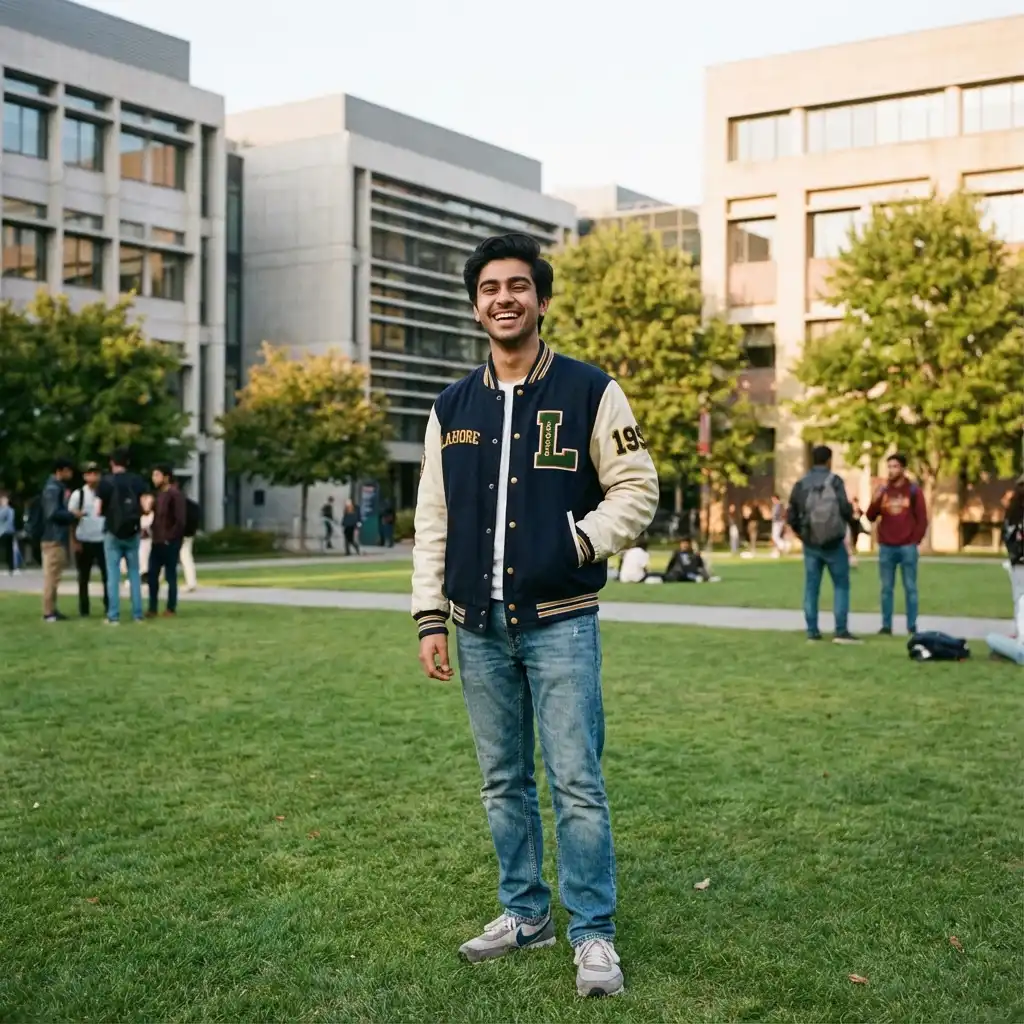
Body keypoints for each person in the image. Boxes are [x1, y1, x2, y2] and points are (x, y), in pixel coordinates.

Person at [412, 232, 659, 998]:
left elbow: (638, 488)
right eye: (489, 289)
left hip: (561, 621)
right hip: (477, 627)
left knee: (577, 782)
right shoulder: (451, 406)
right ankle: (525, 913)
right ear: (476, 305)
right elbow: (432, 517)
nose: (504, 299)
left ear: (541, 300)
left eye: (518, 286)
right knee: (502, 783)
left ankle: (592, 933)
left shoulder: (590, 389)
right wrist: (429, 615)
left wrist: (580, 539)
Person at [787, 445, 860, 644]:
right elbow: (845, 510)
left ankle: (812, 631)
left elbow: (791, 515)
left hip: (811, 544)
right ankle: (841, 630)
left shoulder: (801, 483)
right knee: (841, 586)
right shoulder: (835, 481)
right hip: (834, 543)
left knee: (812, 587)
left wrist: (803, 535)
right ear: (829, 460)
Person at [866, 452, 928, 636]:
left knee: (910, 588)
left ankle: (912, 625)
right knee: (886, 588)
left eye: (895, 467)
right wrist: (875, 498)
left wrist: (915, 540)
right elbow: (870, 516)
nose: (891, 471)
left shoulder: (914, 491)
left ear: (903, 468)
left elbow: (922, 518)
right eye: (889, 467)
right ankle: (886, 625)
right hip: (887, 546)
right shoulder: (883, 490)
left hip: (907, 546)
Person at [95, 447, 147, 625]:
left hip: (112, 532)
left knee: (113, 574)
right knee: (134, 573)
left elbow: (98, 510)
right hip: (132, 532)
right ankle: (137, 614)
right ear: (128, 462)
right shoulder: (137, 481)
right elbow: (145, 506)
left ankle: (113, 615)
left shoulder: (106, 482)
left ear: (112, 462)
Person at [39, 458, 81, 622]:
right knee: (51, 576)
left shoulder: (58, 488)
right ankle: (48, 612)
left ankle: (53, 609)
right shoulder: (52, 488)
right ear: (60, 471)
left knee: (55, 576)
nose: (70, 474)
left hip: (58, 538)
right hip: (53, 538)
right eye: (68, 471)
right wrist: (72, 515)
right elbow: (52, 513)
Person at [68, 462, 109, 618]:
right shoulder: (78, 494)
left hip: (102, 539)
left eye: (96, 473)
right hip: (84, 539)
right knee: (83, 577)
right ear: (85, 476)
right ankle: (84, 609)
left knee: (107, 576)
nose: (93, 476)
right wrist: (74, 541)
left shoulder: (105, 493)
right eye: (90, 473)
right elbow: (71, 519)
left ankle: (108, 606)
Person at [148, 465, 186, 617]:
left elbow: (180, 520)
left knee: (170, 576)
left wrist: (171, 538)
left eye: (157, 475)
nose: (154, 478)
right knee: (152, 575)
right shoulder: (158, 495)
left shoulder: (175, 495)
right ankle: (152, 607)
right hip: (157, 540)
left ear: (166, 477)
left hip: (170, 541)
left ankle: (171, 607)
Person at [1003, 474, 1024, 637]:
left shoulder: (1013, 511)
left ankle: (1019, 631)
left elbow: (1007, 534)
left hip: (1017, 559)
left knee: (1019, 597)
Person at [847, 496, 867, 569]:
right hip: (850, 530)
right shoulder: (850, 510)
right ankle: (851, 560)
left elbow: (862, 513)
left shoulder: (858, 510)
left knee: (854, 544)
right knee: (850, 544)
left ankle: (853, 559)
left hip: (856, 530)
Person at [0, 491, 16, 575]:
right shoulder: (2, 510)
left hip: (9, 532)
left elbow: (11, 521)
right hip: (1, 532)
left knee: (9, 550)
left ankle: (11, 568)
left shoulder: (11, 510)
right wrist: (4, 508)